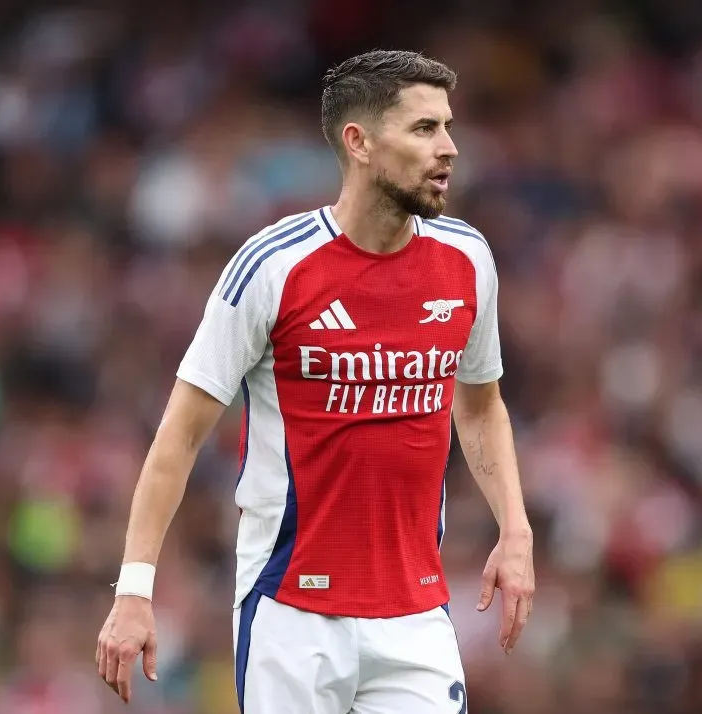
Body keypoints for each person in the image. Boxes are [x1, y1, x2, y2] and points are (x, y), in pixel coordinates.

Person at [95, 49, 536, 713]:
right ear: (359, 142)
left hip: (416, 613)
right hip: (291, 611)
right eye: (424, 129)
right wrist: (134, 590)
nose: (448, 148)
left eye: (447, 127)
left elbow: (479, 408)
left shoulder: (467, 259)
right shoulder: (273, 268)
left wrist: (515, 529)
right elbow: (179, 436)